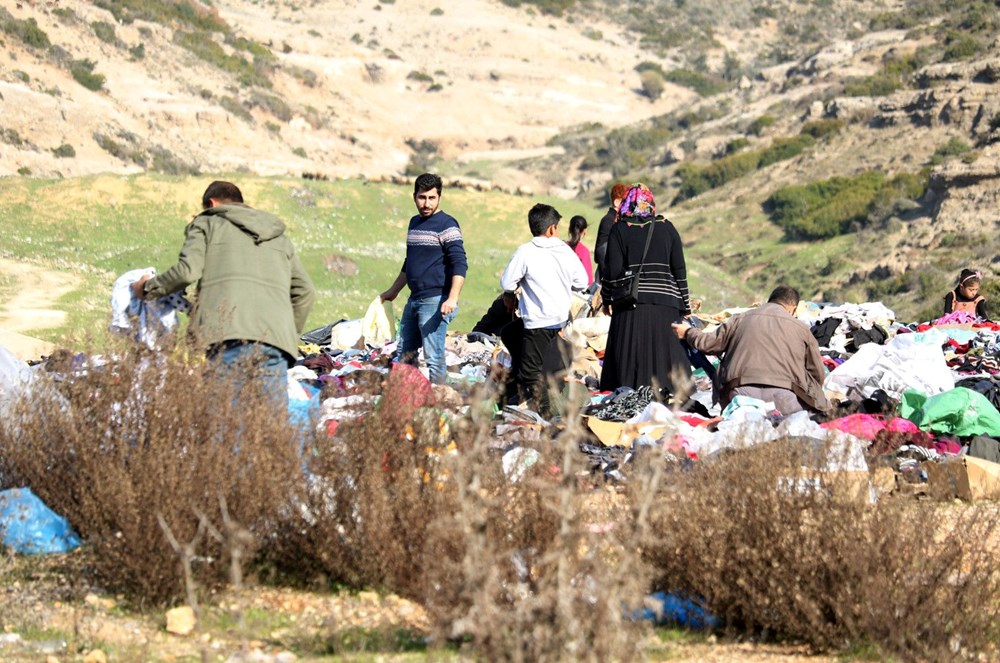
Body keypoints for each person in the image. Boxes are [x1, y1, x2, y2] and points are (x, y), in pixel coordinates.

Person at [131, 180, 316, 405]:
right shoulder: (278, 236)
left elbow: (187, 272)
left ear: (211, 203)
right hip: (274, 346)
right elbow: (305, 292)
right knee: (269, 422)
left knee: (224, 420)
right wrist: (285, 333)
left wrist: (147, 288)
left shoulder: (208, 223)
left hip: (228, 338)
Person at [671, 286, 830, 416]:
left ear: (770, 300)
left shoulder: (739, 319)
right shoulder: (801, 329)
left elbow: (708, 344)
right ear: (793, 308)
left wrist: (688, 332)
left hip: (740, 394)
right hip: (786, 397)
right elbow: (817, 373)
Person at [600, 184, 691, 395]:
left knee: (631, 360)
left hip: (631, 305)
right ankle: (668, 398)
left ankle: (632, 399)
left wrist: (606, 300)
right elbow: (679, 269)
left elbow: (612, 271)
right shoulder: (667, 228)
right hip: (667, 305)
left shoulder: (619, 229)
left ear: (627, 204)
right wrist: (685, 304)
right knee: (664, 360)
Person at [380, 173, 468, 385]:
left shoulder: (447, 224)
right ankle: (409, 395)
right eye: (422, 197)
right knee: (405, 353)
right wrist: (393, 291)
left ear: (439, 198)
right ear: (414, 197)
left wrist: (452, 298)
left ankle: (440, 399)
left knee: (433, 357)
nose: (426, 203)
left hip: (435, 301)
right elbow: (409, 262)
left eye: (431, 198)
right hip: (414, 299)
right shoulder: (414, 223)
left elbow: (460, 263)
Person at [500, 203, 588, 413]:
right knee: (510, 333)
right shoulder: (565, 251)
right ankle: (520, 389)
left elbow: (507, 283)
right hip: (559, 319)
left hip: (537, 321)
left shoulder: (525, 251)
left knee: (530, 372)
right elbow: (582, 282)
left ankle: (546, 412)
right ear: (551, 229)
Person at [593, 181, 629, 281]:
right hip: (607, 276)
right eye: (625, 202)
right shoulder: (609, 220)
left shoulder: (616, 220)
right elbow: (601, 251)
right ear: (616, 202)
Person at [566, 215, 594, 286]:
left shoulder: (562, 246)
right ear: (585, 231)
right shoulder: (584, 251)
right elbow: (589, 280)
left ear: (570, 229)